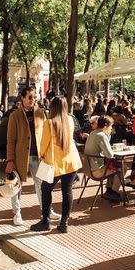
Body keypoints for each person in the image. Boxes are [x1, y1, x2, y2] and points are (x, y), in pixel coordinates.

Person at [5, 86, 60, 226]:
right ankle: (17, 213)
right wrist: (10, 159)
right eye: (30, 97)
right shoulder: (14, 116)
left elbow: (47, 134)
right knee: (16, 186)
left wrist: (48, 153)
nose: (33, 100)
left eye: (34, 97)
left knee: (41, 184)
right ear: (22, 98)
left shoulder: (41, 113)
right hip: (20, 157)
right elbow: (10, 140)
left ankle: (46, 210)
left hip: (38, 155)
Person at [30, 97, 82, 233]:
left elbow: (43, 143)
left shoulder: (49, 123)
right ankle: (64, 222)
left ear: (52, 107)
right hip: (71, 161)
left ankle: (45, 221)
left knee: (45, 189)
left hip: (55, 163)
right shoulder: (70, 120)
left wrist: (41, 156)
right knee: (67, 190)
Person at [85, 115, 122, 202]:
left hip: (89, 169)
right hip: (97, 171)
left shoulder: (93, 133)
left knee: (112, 165)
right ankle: (113, 192)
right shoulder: (101, 135)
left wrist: (107, 136)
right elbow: (109, 155)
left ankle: (109, 190)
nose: (111, 128)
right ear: (106, 126)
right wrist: (108, 136)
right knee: (122, 167)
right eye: (111, 126)